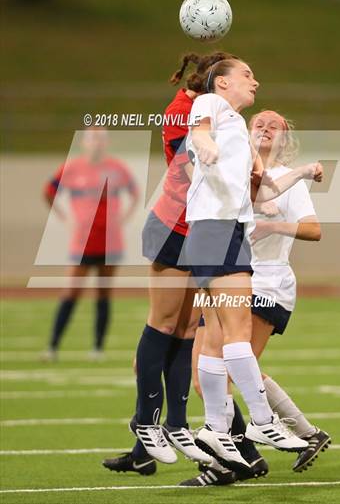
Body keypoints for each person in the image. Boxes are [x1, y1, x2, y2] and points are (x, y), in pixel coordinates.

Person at [183, 58, 323, 475]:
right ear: (223, 82)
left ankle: (213, 427)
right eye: (247, 75)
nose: (255, 81)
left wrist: (303, 171)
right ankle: (263, 422)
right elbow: (199, 128)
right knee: (234, 334)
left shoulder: (242, 144)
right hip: (218, 230)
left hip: (214, 232)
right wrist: (203, 143)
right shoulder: (211, 102)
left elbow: (268, 190)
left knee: (214, 339)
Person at [104, 53, 239, 476]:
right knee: (162, 326)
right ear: (216, 82)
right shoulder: (185, 111)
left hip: (200, 233)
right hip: (174, 228)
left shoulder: (212, 110)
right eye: (239, 76)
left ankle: (175, 426)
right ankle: (146, 426)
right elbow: (204, 163)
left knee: (185, 331)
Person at [41, 129, 139, 362]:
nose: (97, 143)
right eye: (92, 138)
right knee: (71, 292)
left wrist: (123, 218)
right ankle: (52, 346)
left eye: (101, 139)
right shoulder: (72, 167)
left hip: (111, 241)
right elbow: (48, 192)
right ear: (84, 142)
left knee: (103, 294)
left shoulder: (116, 168)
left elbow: (135, 193)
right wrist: (65, 218)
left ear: (106, 143)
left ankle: (97, 347)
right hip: (82, 241)